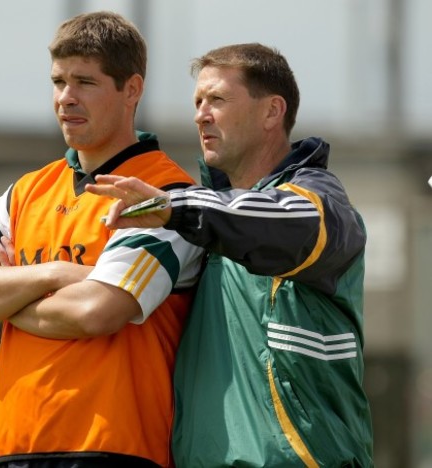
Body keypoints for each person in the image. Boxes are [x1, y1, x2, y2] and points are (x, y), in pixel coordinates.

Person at [87, 43, 374, 467]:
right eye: (198, 102)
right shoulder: (201, 218)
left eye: (217, 99)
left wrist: (176, 207)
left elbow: (271, 220)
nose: (200, 114)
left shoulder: (321, 206)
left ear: (272, 112)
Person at [0, 11, 204, 468]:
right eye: (58, 81)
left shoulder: (164, 195)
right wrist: (57, 273)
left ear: (132, 90)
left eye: (85, 82)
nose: (66, 98)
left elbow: (95, 311)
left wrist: (5, 296)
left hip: (113, 447)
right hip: (14, 446)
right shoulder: (25, 192)